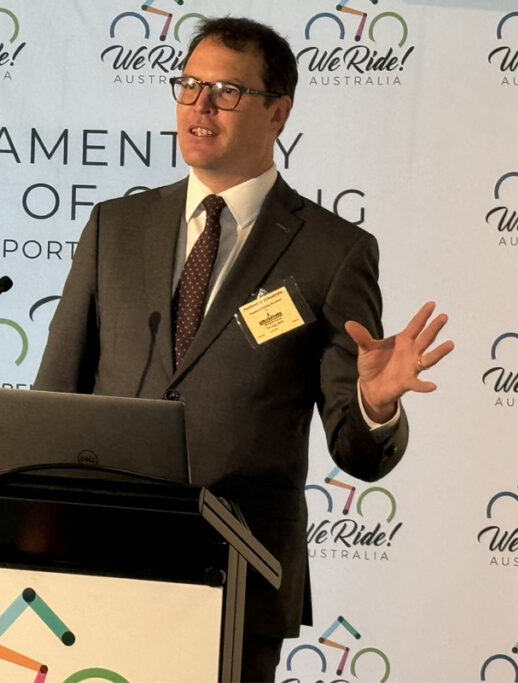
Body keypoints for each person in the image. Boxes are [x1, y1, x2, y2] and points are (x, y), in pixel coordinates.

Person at [33, 16, 453, 682]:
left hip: (236, 581)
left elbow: (355, 447)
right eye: (189, 85)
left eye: (226, 91)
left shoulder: (332, 253)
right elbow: (55, 398)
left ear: (278, 112)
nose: (200, 106)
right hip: (102, 564)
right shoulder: (116, 226)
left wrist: (374, 404)